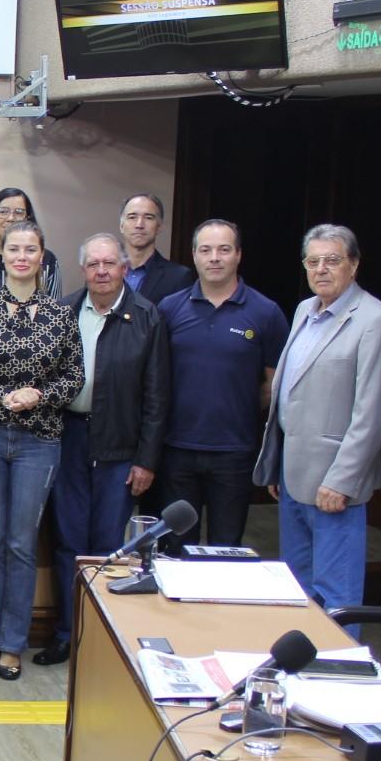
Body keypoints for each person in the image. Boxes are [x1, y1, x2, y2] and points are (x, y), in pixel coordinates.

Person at [0, 219, 82, 682]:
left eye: (30, 249)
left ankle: (12, 644)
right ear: (2, 256)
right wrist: (2, 398)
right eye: (14, 249)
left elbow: (74, 377)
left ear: (41, 256)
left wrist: (38, 396)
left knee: (22, 546)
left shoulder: (61, 314)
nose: (22, 256)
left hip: (38, 440)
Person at [255, 224, 381, 612]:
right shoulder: (305, 309)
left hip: (335, 483)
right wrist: (276, 464)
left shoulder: (376, 320)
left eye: (332, 260)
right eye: (313, 261)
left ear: (353, 265)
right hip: (292, 475)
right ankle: (301, 670)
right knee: (298, 591)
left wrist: (342, 480)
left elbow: (373, 412)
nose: (321, 269)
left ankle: (337, 667)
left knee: (336, 597)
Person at [39, 233, 169, 667]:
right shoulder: (65, 311)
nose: (101, 271)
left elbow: (157, 395)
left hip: (120, 445)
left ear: (124, 268)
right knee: (68, 543)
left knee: (112, 546)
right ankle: (67, 633)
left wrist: (146, 459)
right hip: (69, 437)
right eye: (93, 263)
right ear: (83, 269)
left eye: (109, 263)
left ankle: (107, 640)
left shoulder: (146, 316)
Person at [156, 219, 288, 548]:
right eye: (206, 250)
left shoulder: (266, 312)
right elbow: (155, 380)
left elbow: (272, 386)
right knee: (174, 549)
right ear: (194, 256)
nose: (214, 257)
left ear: (238, 255)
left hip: (234, 452)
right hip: (177, 450)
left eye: (224, 249)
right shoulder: (170, 309)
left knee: (225, 551)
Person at [118, 192, 195, 304]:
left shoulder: (178, 277)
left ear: (159, 227)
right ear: (121, 226)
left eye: (149, 218)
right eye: (132, 217)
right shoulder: (104, 271)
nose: (139, 224)